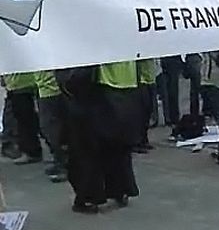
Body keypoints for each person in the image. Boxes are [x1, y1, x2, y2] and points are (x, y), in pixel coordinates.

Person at [62, 61, 140, 214]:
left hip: (99, 94)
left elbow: (77, 79)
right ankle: (120, 190)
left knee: (87, 150)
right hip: (127, 90)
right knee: (118, 147)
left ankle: (89, 197)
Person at [34, 70, 68, 182]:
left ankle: (66, 166)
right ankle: (60, 161)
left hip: (53, 89)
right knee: (50, 129)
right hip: (45, 88)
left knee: (54, 130)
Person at [3, 72, 42, 165]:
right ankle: (31, 150)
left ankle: (31, 151)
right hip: (18, 84)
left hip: (21, 84)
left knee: (24, 119)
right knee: (24, 118)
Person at [134, 59, 157, 153]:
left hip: (151, 80)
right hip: (142, 81)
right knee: (141, 112)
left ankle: (144, 139)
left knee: (148, 111)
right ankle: (137, 141)